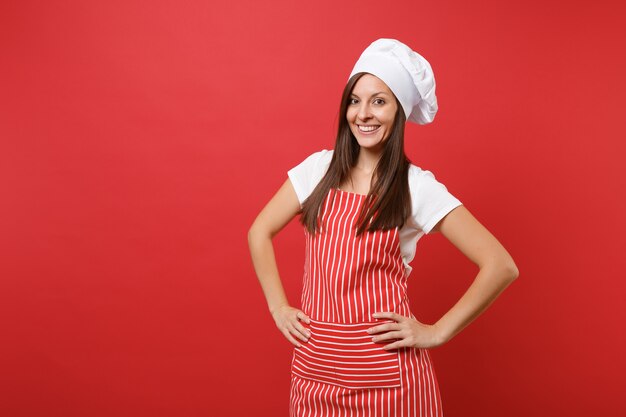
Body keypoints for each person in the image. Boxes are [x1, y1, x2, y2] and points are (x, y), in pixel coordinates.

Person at [248, 38, 519, 417]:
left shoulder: (415, 186)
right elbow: (258, 232)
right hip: (316, 378)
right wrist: (278, 307)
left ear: (399, 111)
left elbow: (500, 264)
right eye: (355, 100)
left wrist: (436, 331)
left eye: (379, 101)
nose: (363, 114)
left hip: (393, 388)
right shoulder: (317, 170)